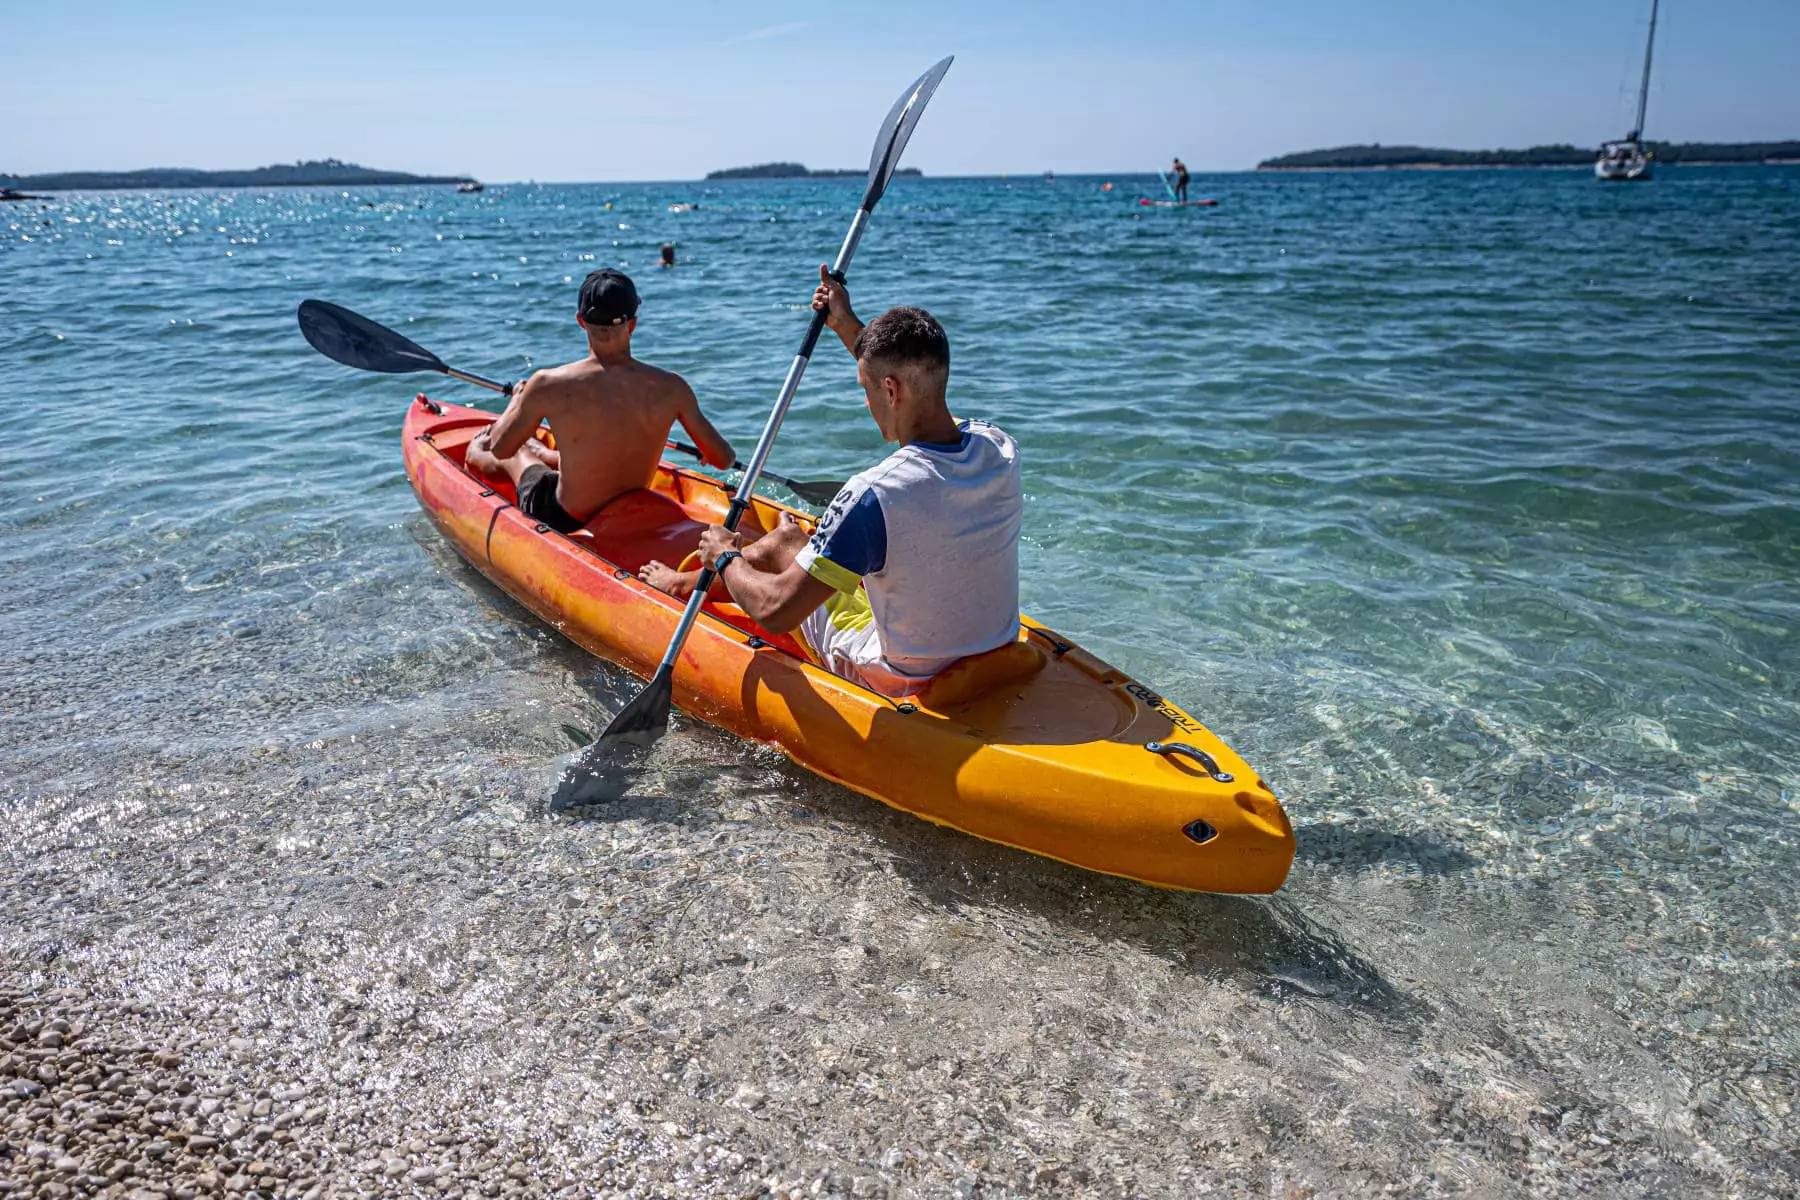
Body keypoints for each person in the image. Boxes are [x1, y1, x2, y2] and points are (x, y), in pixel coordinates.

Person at [639, 267, 1024, 697]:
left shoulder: (872, 495)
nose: (865, 400)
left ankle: (683, 583)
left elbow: (777, 612)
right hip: (995, 649)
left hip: (897, 676)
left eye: (866, 388)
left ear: (891, 391)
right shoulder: (998, 447)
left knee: (783, 542)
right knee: (801, 543)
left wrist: (726, 559)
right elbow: (900, 378)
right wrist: (844, 322)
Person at [465, 269, 735, 533]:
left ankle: (474, 454)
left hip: (568, 517)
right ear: (633, 323)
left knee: (519, 454)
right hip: (631, 509)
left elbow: (502, 449)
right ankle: (547, 456)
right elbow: (723, 459)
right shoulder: (672, 386)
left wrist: (517, 400)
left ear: (580, 321)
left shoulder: (548, 384)